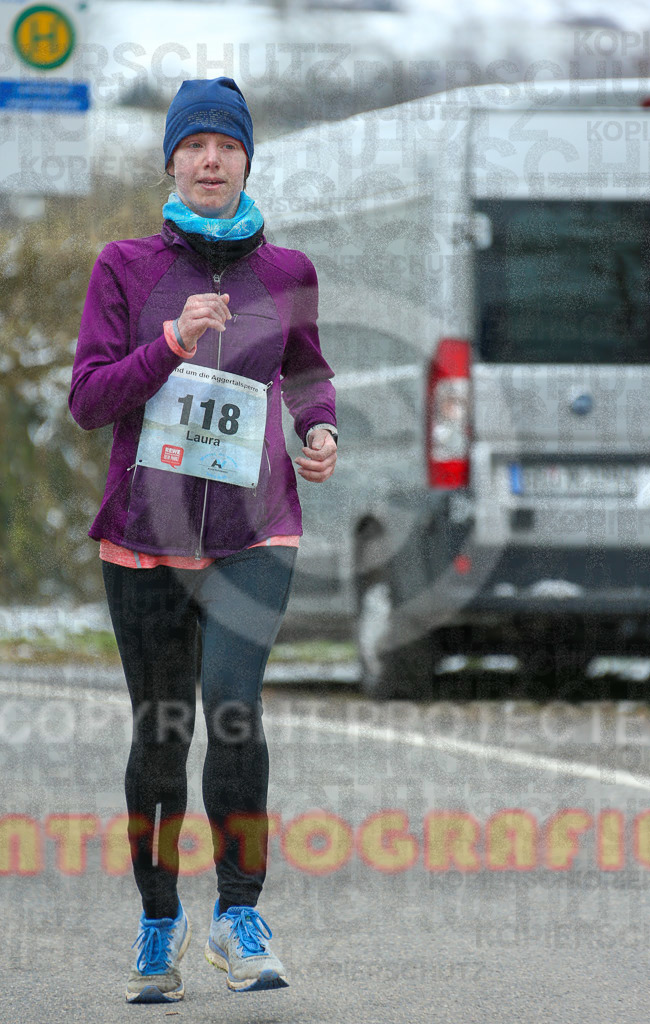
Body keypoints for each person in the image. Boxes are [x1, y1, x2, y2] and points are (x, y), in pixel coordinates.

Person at [69, 77, 337, 1004]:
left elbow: (306, 373)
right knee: (162, 730)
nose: (211, 161)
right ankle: (157, 921)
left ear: (248, 161)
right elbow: (89, 399)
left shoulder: (288, 272)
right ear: (172, 163)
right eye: (194, 148)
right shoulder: (126, 267)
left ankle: (238, 913)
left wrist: (318, 429)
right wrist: (172, 346)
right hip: (144, 535)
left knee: (231, 707)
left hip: (254, 532)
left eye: (227, 146)